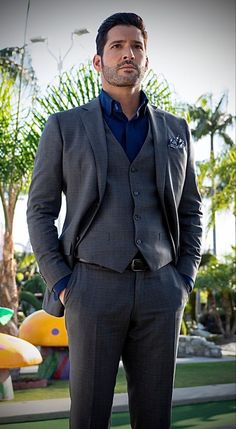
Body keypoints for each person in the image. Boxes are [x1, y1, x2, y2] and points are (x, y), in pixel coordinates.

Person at [27, 12, 203, 429]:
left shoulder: (176, 130)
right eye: (117, 46)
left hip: (163, 289)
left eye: (137, 47)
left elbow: (190, 209)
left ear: (147, 60)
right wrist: (65, 283)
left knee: (155, 417)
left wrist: (184, 279)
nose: (128, 54)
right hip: (91, 289)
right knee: (88, 416)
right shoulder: (64, 126)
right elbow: (39, 210)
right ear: (98, 61)